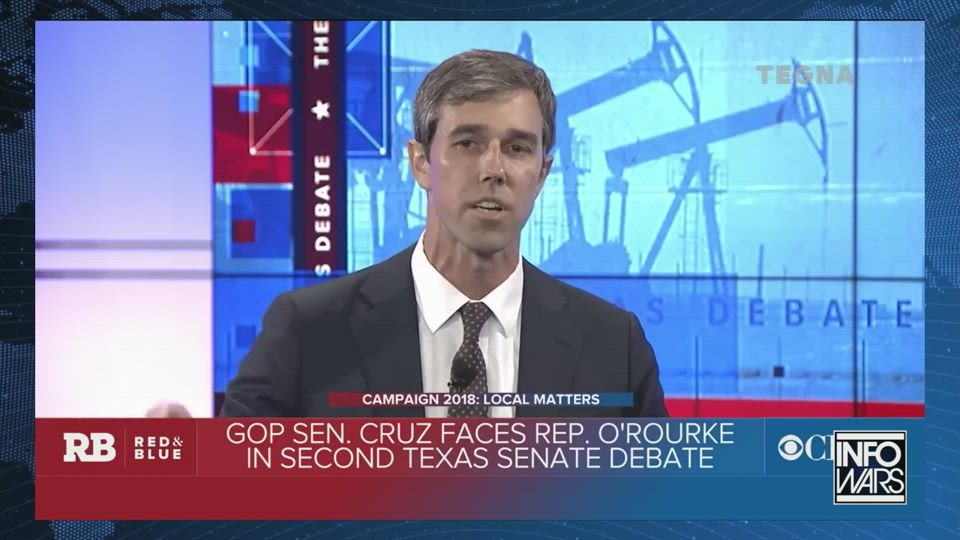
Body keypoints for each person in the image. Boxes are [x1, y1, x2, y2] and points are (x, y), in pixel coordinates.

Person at [154, 49, 667, 418]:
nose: (493, 169)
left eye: (517, 148)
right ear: (420, 162)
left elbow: (662, 512)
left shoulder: (613, 346)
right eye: (467, 143)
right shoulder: (308, 332)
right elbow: (237, 503)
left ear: (542, 172)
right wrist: (185, 485)